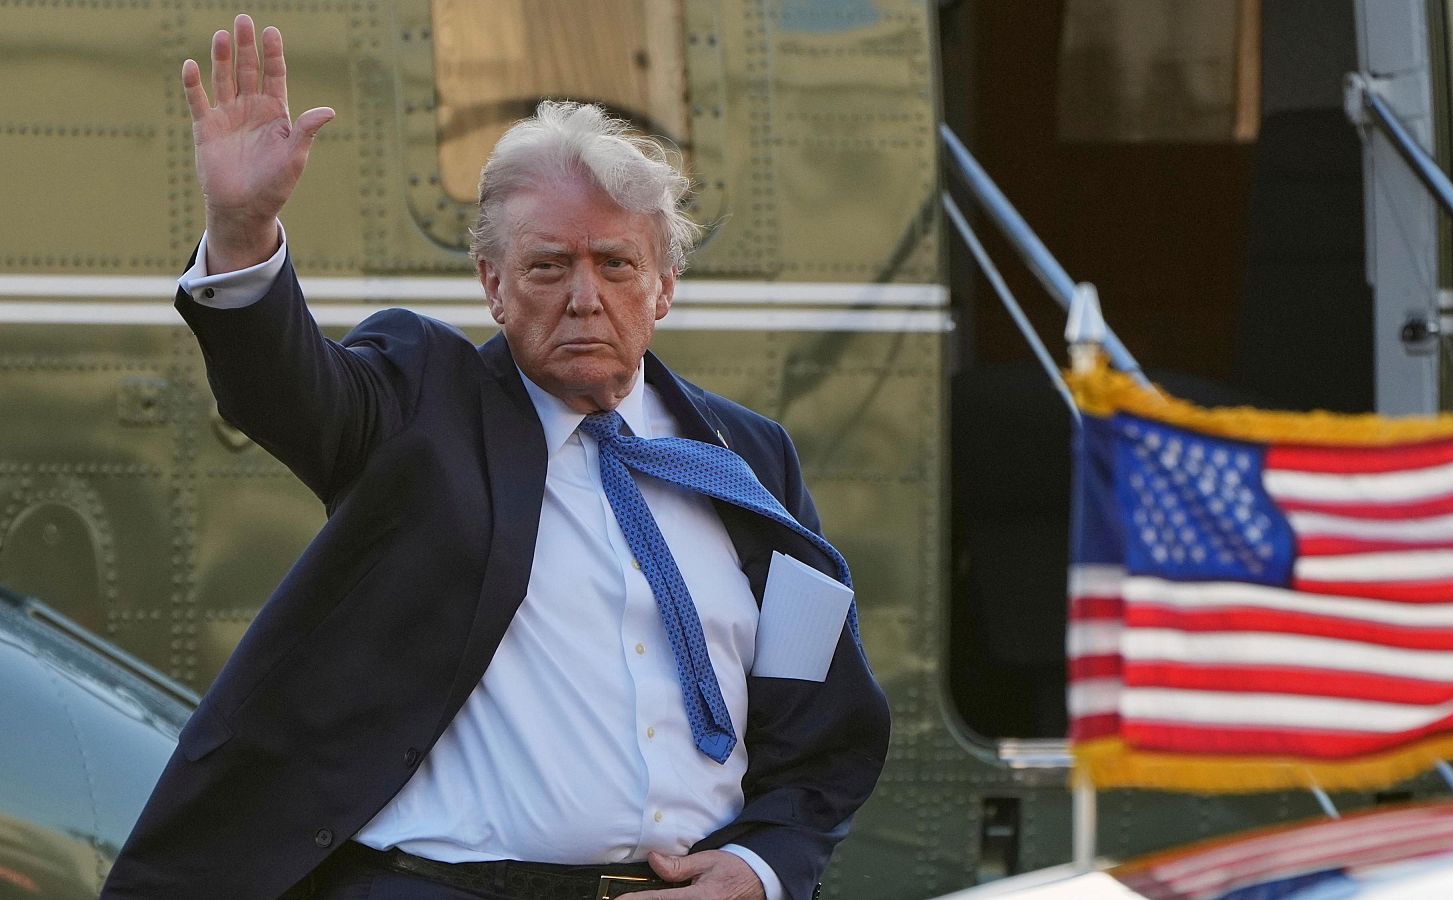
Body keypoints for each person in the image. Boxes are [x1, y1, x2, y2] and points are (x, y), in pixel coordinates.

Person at [101, 14, 890, 900]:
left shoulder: (749, 461)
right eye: (548, 266)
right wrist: (243, 231)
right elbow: (286, 391)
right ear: (493, 284)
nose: (584, 297)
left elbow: (818, 717)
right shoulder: (424, 406)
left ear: (664, 286)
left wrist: (762, 867)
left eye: (616, 265)